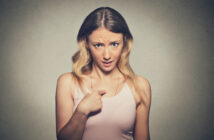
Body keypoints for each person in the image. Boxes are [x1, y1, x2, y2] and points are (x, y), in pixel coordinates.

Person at [55, 7, 151, 140]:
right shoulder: (68, 82)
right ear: (86, 43)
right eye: (98, 45)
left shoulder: (139, 86)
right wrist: (81, 112)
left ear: (124, 42)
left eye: (114, 44)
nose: (107, 55)